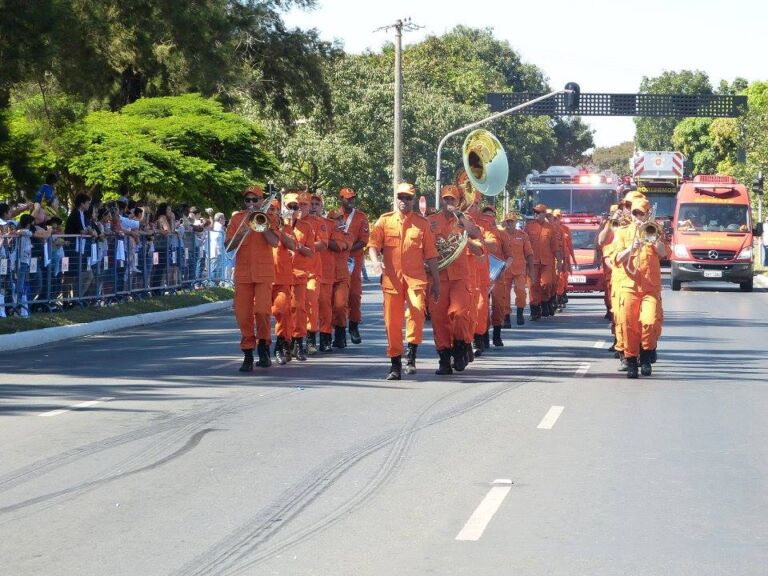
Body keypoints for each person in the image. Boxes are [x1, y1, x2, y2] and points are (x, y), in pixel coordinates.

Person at [368, 182, 440, 380]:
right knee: (392, 323)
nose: (404, 201)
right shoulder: (384, 221)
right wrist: (375, 262)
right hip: (392, 280)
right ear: (396, 198)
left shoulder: (422, 224)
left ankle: (412, 354)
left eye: (408, 197)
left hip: (416, 279)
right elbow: (373, 245)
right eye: (401, 197)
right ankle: (395, 364)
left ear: (413, 200)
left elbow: (431, 255)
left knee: (416, 314)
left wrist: (437, 282)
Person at [225, 185, 279, 371]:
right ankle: (248, 353)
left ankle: (263, 346)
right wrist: (243, 229)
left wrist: (261, 226)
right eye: (247, 200)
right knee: (243, 315)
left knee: (263, 312)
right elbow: (228, 246)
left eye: (254, 200)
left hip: (263, 273)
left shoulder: (269, 218)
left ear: (261, 201)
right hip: (243, 274)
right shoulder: (237, 219)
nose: (250, 204)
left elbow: (275, 242)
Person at [428, 185, 481, 375]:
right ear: (441, 200)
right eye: (446, 199)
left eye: (452, 200)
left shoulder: (464, 219)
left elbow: (475, 234)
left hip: (460, 276)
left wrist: (461, 217)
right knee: (439, 319)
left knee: (459, 314)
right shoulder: (431, 220)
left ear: (458, 202)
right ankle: (443, 359)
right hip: (438, 276)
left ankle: (459, 349)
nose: (449, 203)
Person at [613, 197, 667, 379]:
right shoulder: (622, 232)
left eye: (641, 214)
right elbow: (616, 258)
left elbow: (664, 253)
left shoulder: (655, 230)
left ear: (647, 214)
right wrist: (631, 248)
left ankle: (646, 354)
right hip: (629, 286)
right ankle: (630, 361)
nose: (637, 217)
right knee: (629, 326)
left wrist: (654, 239)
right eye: (635, 213)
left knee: (649, 322)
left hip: (650, 286)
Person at [287, 191, 316, 360]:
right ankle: (285, 341)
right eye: (289, 207)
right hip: (281, 273)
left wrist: (297, 246)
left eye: (295, 207)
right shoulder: (279, 225)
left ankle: (298, 341)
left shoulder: (306, 227)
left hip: (299, 273)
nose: (292, 210)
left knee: (299, 308)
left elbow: (311, 252)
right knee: (283, 309)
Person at [339, 187, 370, 345]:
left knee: (354, 296)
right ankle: (339, 332)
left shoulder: (361, 217)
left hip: (354, 262)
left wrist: (348, 248)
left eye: (353, 198)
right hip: (336, 261)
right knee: (338, 298)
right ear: (341, 200)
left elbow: (364, 241)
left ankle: (354, 326)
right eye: (348, 198)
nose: (351, 201)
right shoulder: (334, 215)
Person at [270, 198, 297, 365]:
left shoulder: (285, 228)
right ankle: (264, 348)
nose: (271, 212)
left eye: (274, 209)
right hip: (262, 278)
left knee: (282, 311)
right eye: (269, 209)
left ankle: (282, 344)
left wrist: (279, 230)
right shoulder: (257, 228)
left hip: (281, 278)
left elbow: (293, 246)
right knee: (260, 315)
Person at [526, 203, 562, 320]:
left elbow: (555, 246)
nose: (535, 215)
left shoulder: (550, 228)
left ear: (543, 214)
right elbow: (524, 245)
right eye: (535, 212)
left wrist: (560, 261)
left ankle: (545, 301)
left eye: (538, 212)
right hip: (532, 262)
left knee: (547, 283)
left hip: (547, 261)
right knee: (533, 286)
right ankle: (535, 309)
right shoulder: (529, 226)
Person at [304, 193, 329, 354]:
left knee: (312, 303)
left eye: (316, 204)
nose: (312, 206)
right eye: (309, 203)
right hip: (291, 271)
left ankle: (311, 338)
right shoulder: (292, 223)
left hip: (313, 270)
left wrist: (302, 246)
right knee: (293, 307)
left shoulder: (321, 223)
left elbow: (323, 244)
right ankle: (292, 340)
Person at [501, 212, 534, 326]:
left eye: (512, 221)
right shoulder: (500, 235)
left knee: (521, 292)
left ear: (515, 223)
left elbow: (529, 253)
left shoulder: (523, 235)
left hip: (519, 269)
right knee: (504, 295)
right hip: (504, 270)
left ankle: (520, 313)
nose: (510, 223)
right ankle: (506, 318)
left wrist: (531, 270)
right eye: (508, 221)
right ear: (504, 222)